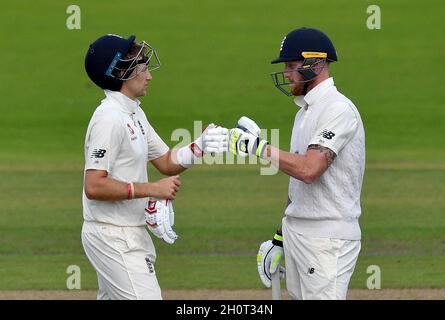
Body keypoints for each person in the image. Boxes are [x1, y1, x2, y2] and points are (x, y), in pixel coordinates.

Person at [82, 34, 228, 300]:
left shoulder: (134, 113)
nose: (149, 76)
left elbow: (166, 162)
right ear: (121, 72)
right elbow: (94, 185)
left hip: (127, 232)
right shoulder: (109, 119)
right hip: (113, 236)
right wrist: (151, 189)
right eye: (143, 68)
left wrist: (200, 146)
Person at [229, 27, 366, 300]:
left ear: (317, 64)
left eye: (292, 65)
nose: (287, 73)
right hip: (299, 234)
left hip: (327, 239)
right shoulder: (304, 112)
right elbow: (297, 185)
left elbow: (308, 169)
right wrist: (281, 237)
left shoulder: (338, 109)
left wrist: (258, 147)